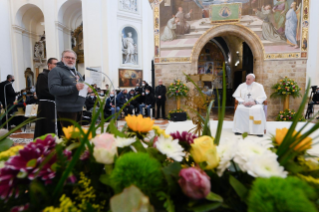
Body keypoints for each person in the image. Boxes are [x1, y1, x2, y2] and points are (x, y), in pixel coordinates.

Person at [48, 50, 91, 135]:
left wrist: (87, 90)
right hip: (66, 109)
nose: (71, 60)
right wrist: (74, 88)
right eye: (68, 57)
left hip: (78, 108)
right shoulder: (56, 71)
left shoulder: (77, 72)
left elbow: (80, 89)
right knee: (68, 137)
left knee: (76, 136)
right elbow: (53, 89)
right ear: (62, 59)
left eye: (73, 58)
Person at [34, 58, 59, 138]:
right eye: (55, 64)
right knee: (46, 125)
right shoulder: (43, 75)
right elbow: (42, 91)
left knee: (54, 125)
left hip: (54, 104)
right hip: (46, 105)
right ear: (49, 64)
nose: (57, 66)